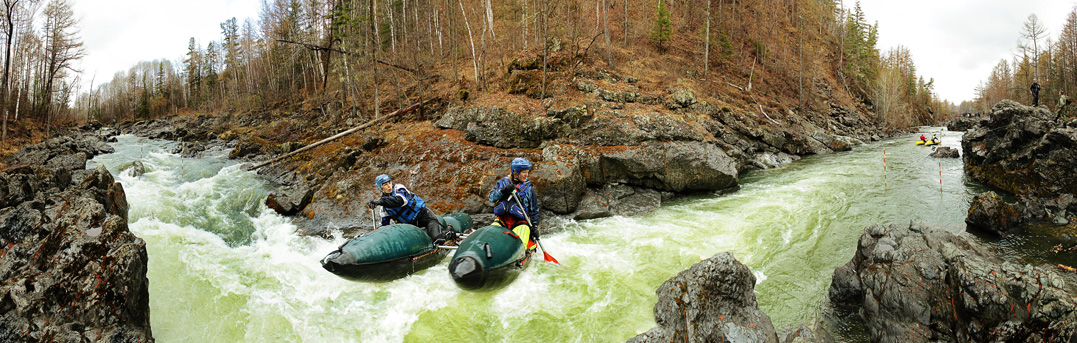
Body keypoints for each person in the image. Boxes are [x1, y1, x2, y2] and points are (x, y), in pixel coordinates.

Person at [367, 174, 452, 244]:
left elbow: (400, 200)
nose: (389, 185)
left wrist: (379, 202)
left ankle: (449, 232)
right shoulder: (384, 208)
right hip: (410, 227)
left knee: (438, 240)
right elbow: (384, 225)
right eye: (385, 184)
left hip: (424, 217)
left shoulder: (399, 188)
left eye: (389, 182)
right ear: (381, 187)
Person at [487, 158, 541, 249]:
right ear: (515, 172)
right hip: (502, 221)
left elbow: (534, 210)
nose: (526, 175)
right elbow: (492, 198)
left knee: (519, 248)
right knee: (487, 241)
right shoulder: (502, 183)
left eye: (527, 172)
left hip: (520, 223)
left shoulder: (529, 188)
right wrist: (503, 191)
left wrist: (535, 226)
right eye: (524, 172)